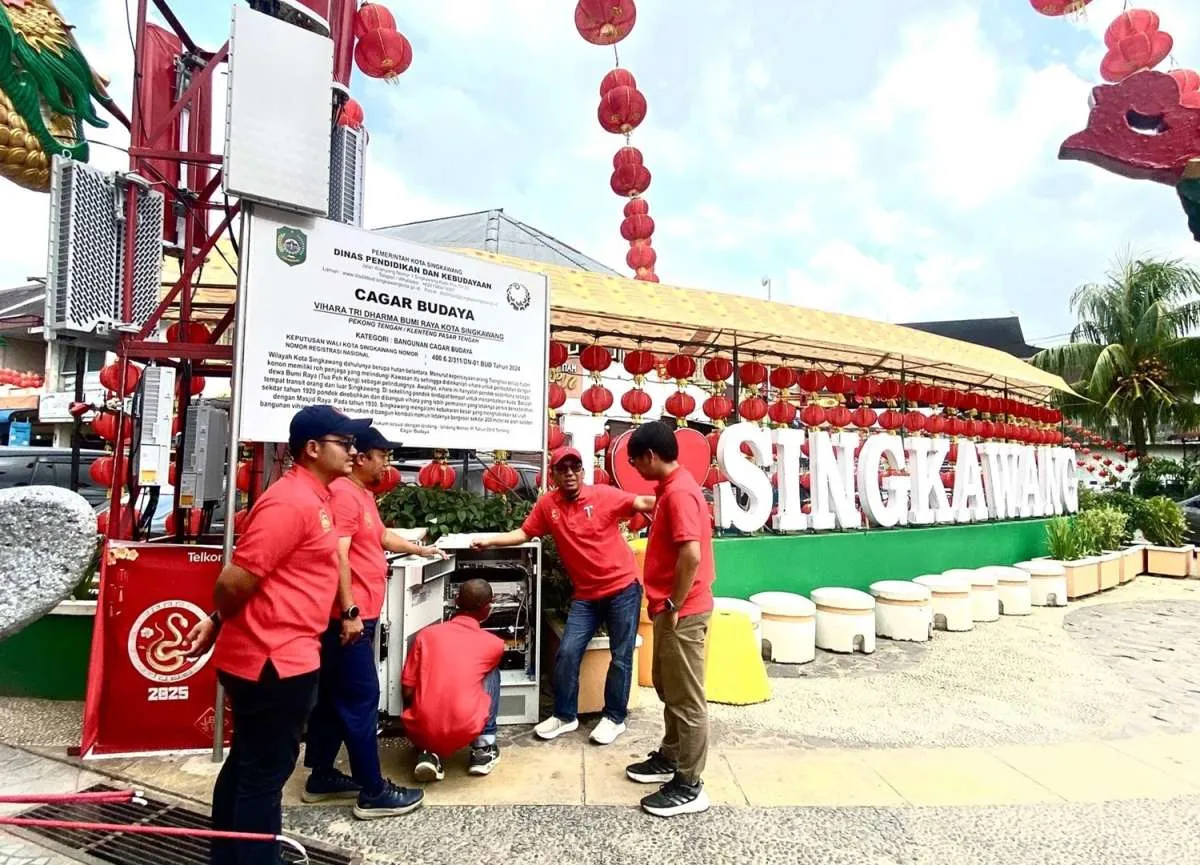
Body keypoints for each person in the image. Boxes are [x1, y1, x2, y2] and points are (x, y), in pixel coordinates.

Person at [184, 405, 406, 865]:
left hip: (286, 655)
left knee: (250, 762)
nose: (353, 451)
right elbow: (237, 579)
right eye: (344, 444)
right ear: (311, 449)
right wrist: (221, 617)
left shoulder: (319, 497)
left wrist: (219, 619)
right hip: (271, 661)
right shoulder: (291, 502)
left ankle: (230, 855)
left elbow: (269, 575)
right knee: (265, 775)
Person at [301, 426, 441, 819]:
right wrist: (349, 612)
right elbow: (337, 555)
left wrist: (419, 548)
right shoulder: (344, 495)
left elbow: (379, 536)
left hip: (356, 615)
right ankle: (372, 791)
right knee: (362, 699)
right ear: (361, 457)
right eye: (382, 454)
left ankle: (322, 777)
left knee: (332, 699)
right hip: (350, 618)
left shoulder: (361, 494)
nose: (387, 462)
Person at [473, 446, 655, 745]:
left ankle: (614, 718)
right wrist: (488, 540)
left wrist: (679, 499)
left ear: (582, 472)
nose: (570, 473)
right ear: (554, 474)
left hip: (622, 588)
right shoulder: (548, 505)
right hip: (586, 594)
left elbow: (642, 502)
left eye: (575, 467)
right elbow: (524, 533)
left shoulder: (603, 496)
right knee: (567, 653)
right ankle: (565, 715)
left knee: (621, 656)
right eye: (563, 469)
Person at [622, 421, 715, 817]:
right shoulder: (669, 490)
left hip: (684, 611)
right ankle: (672, 755)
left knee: (687, 698)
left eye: (634, 461)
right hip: (669, 608)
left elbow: (691, 555)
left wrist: (675, 605)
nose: (635, 469)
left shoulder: (679, 494)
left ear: (650, 457)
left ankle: (689, 784)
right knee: (668, 686)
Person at [401, 578, 504, 780]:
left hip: (420, 727)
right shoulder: (494, 644)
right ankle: (483, 749)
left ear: (456, 601)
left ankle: (428, 752)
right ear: (487, 609)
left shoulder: (427, 635)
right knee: (491, 671)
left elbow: (407, 690)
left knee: (429, 673)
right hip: (466, 725)